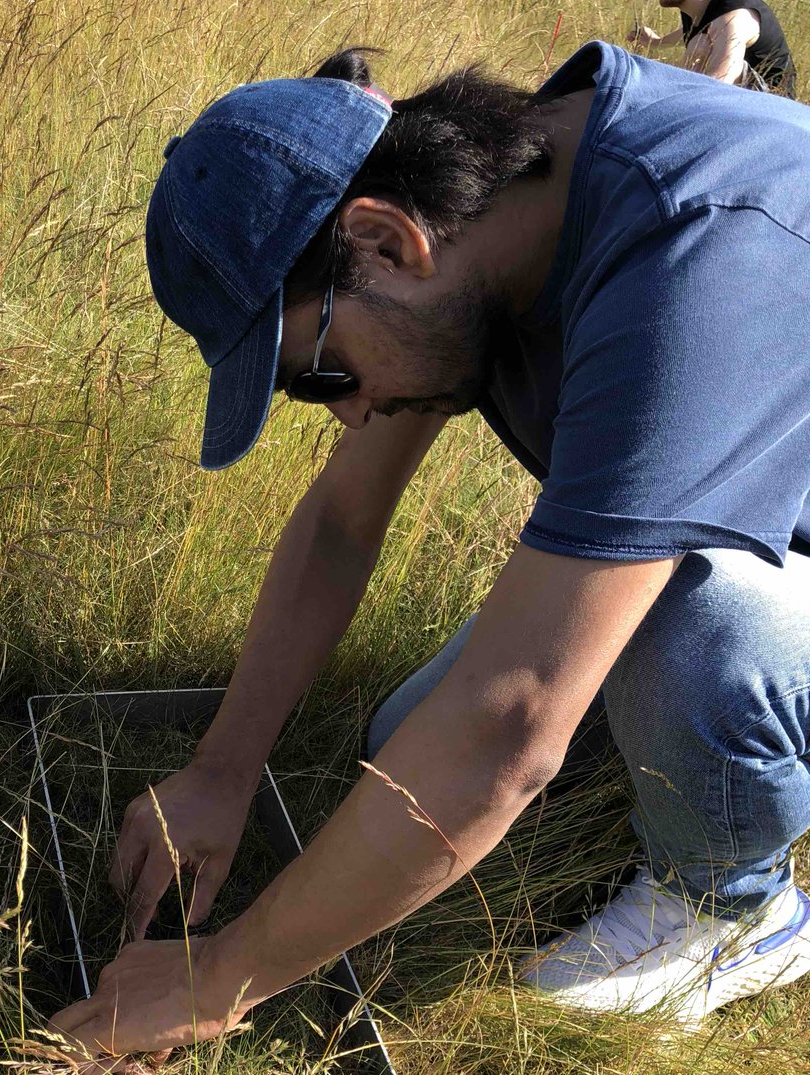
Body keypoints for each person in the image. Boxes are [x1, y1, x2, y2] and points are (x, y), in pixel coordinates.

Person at [49, 40, 810, 1060]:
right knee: (408, 740)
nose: (350, 414)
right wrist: (222, 770)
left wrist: (222, 976)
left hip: (754, 584)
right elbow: (339, 522)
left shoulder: (696, 250)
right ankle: (684, 774)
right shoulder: (488, 222)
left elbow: (513, 723)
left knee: (691, 620)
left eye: (321, 378)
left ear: (385, 241)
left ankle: (734, 907)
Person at [629, 0, 797, 95]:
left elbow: (718, 84)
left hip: (773, 109)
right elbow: (694, 30)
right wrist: (658, 42)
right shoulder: (698, 9)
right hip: (742, 101)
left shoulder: (733, 19)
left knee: (700, 45)